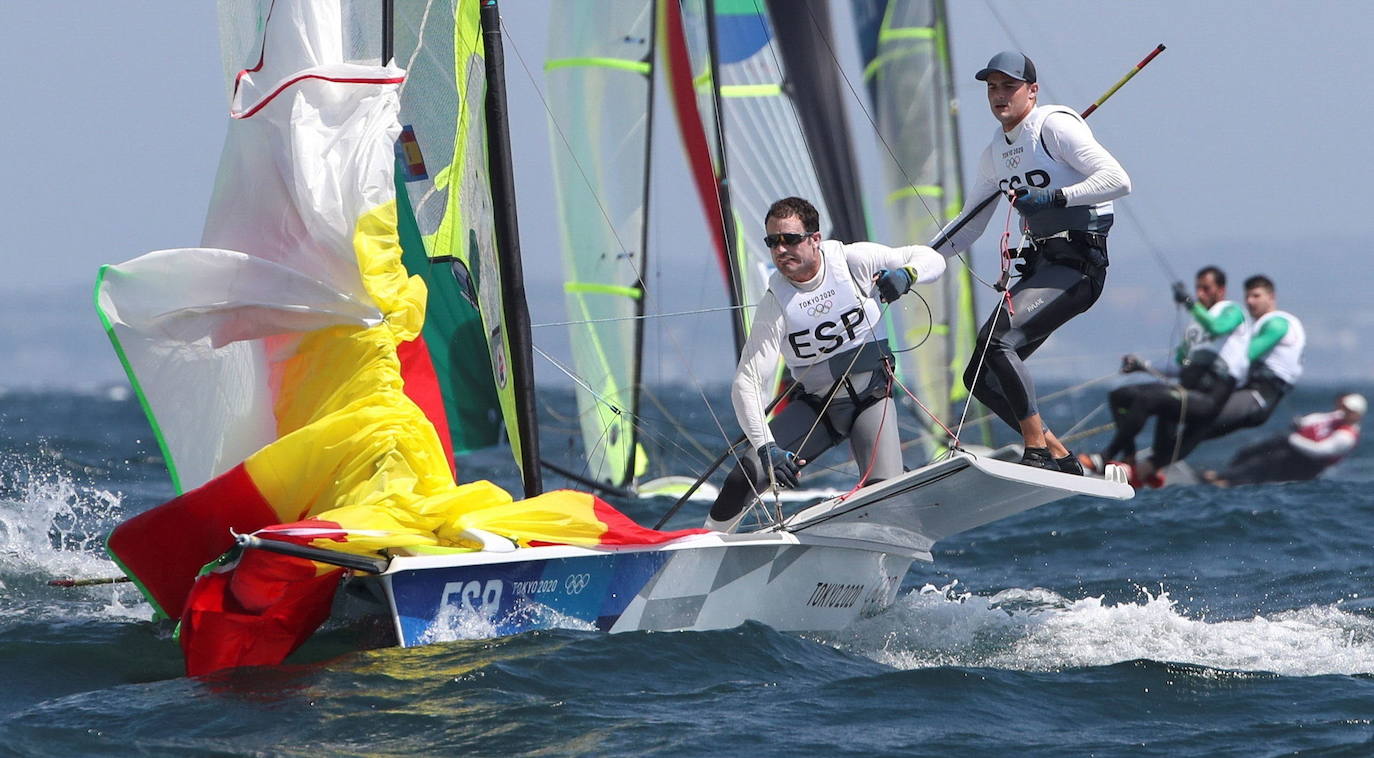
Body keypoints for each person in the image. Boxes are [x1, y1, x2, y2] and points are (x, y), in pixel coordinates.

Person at [931, 51, 1131, 472]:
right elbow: (968, 225)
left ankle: (1035, 450)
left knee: (998, 343)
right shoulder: (994, 155)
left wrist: (1054, 197)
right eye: (992, 87)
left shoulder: (1054, 127)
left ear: (1032, 91)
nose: (999, 95)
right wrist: (913, 265)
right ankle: (1059, 454)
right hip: (1041, 265)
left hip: (1079, 264)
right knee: (980, 377)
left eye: (1010, 86)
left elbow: (1118, 179)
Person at [704, 196, 946, 532]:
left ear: (815, 239)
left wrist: (907, 275)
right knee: (743, 476)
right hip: (819, 408)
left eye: (790, 239)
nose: (780, 249)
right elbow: (747, 382)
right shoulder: (776, 302)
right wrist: (766, 448)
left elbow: (931, 258)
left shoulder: (853, 261)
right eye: (772, 242)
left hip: (870, 400)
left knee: (882, 492)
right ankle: (703, 547)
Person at [1086, 266, 1249, 484]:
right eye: (1198, 288)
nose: (1200, 293)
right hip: (1186, 391)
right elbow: (1179, 364)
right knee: (1120, 395)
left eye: (1206, 288)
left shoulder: (1231, 310)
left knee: (1147, 399)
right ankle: (1129, 458)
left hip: (1209, 398)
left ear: (1221, 290)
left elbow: (1217, 328)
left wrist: (1190, 303)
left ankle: (1104, 456)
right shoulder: (1197, 324)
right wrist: (1142, 366)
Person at [1173, 274, 1305, 459]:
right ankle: (1154, 464)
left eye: (1256, 296)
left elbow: (1245, 356)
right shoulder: (1258, 326)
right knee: (1195, 431)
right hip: (1251, 396)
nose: (1250, 302)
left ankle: (1151, 464)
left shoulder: (1277, 322)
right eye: (1247, 297)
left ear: (1271, 297)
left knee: (1199, 421)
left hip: (1257, 398)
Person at [1204, 393, 1364, 486]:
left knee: (1262, 465)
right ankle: (1222, 474)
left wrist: (1294, 439)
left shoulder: (1347, 436)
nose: (1344, 411)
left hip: (1306, 462)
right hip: (1291, 446)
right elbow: (1318, 419)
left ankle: (1224, 480)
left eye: (1349, 410)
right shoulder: (1339, 416)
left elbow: (1320, 451)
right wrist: (1302, 423)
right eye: (1344, 407)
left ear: (1357, 415)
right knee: (1252, 451)